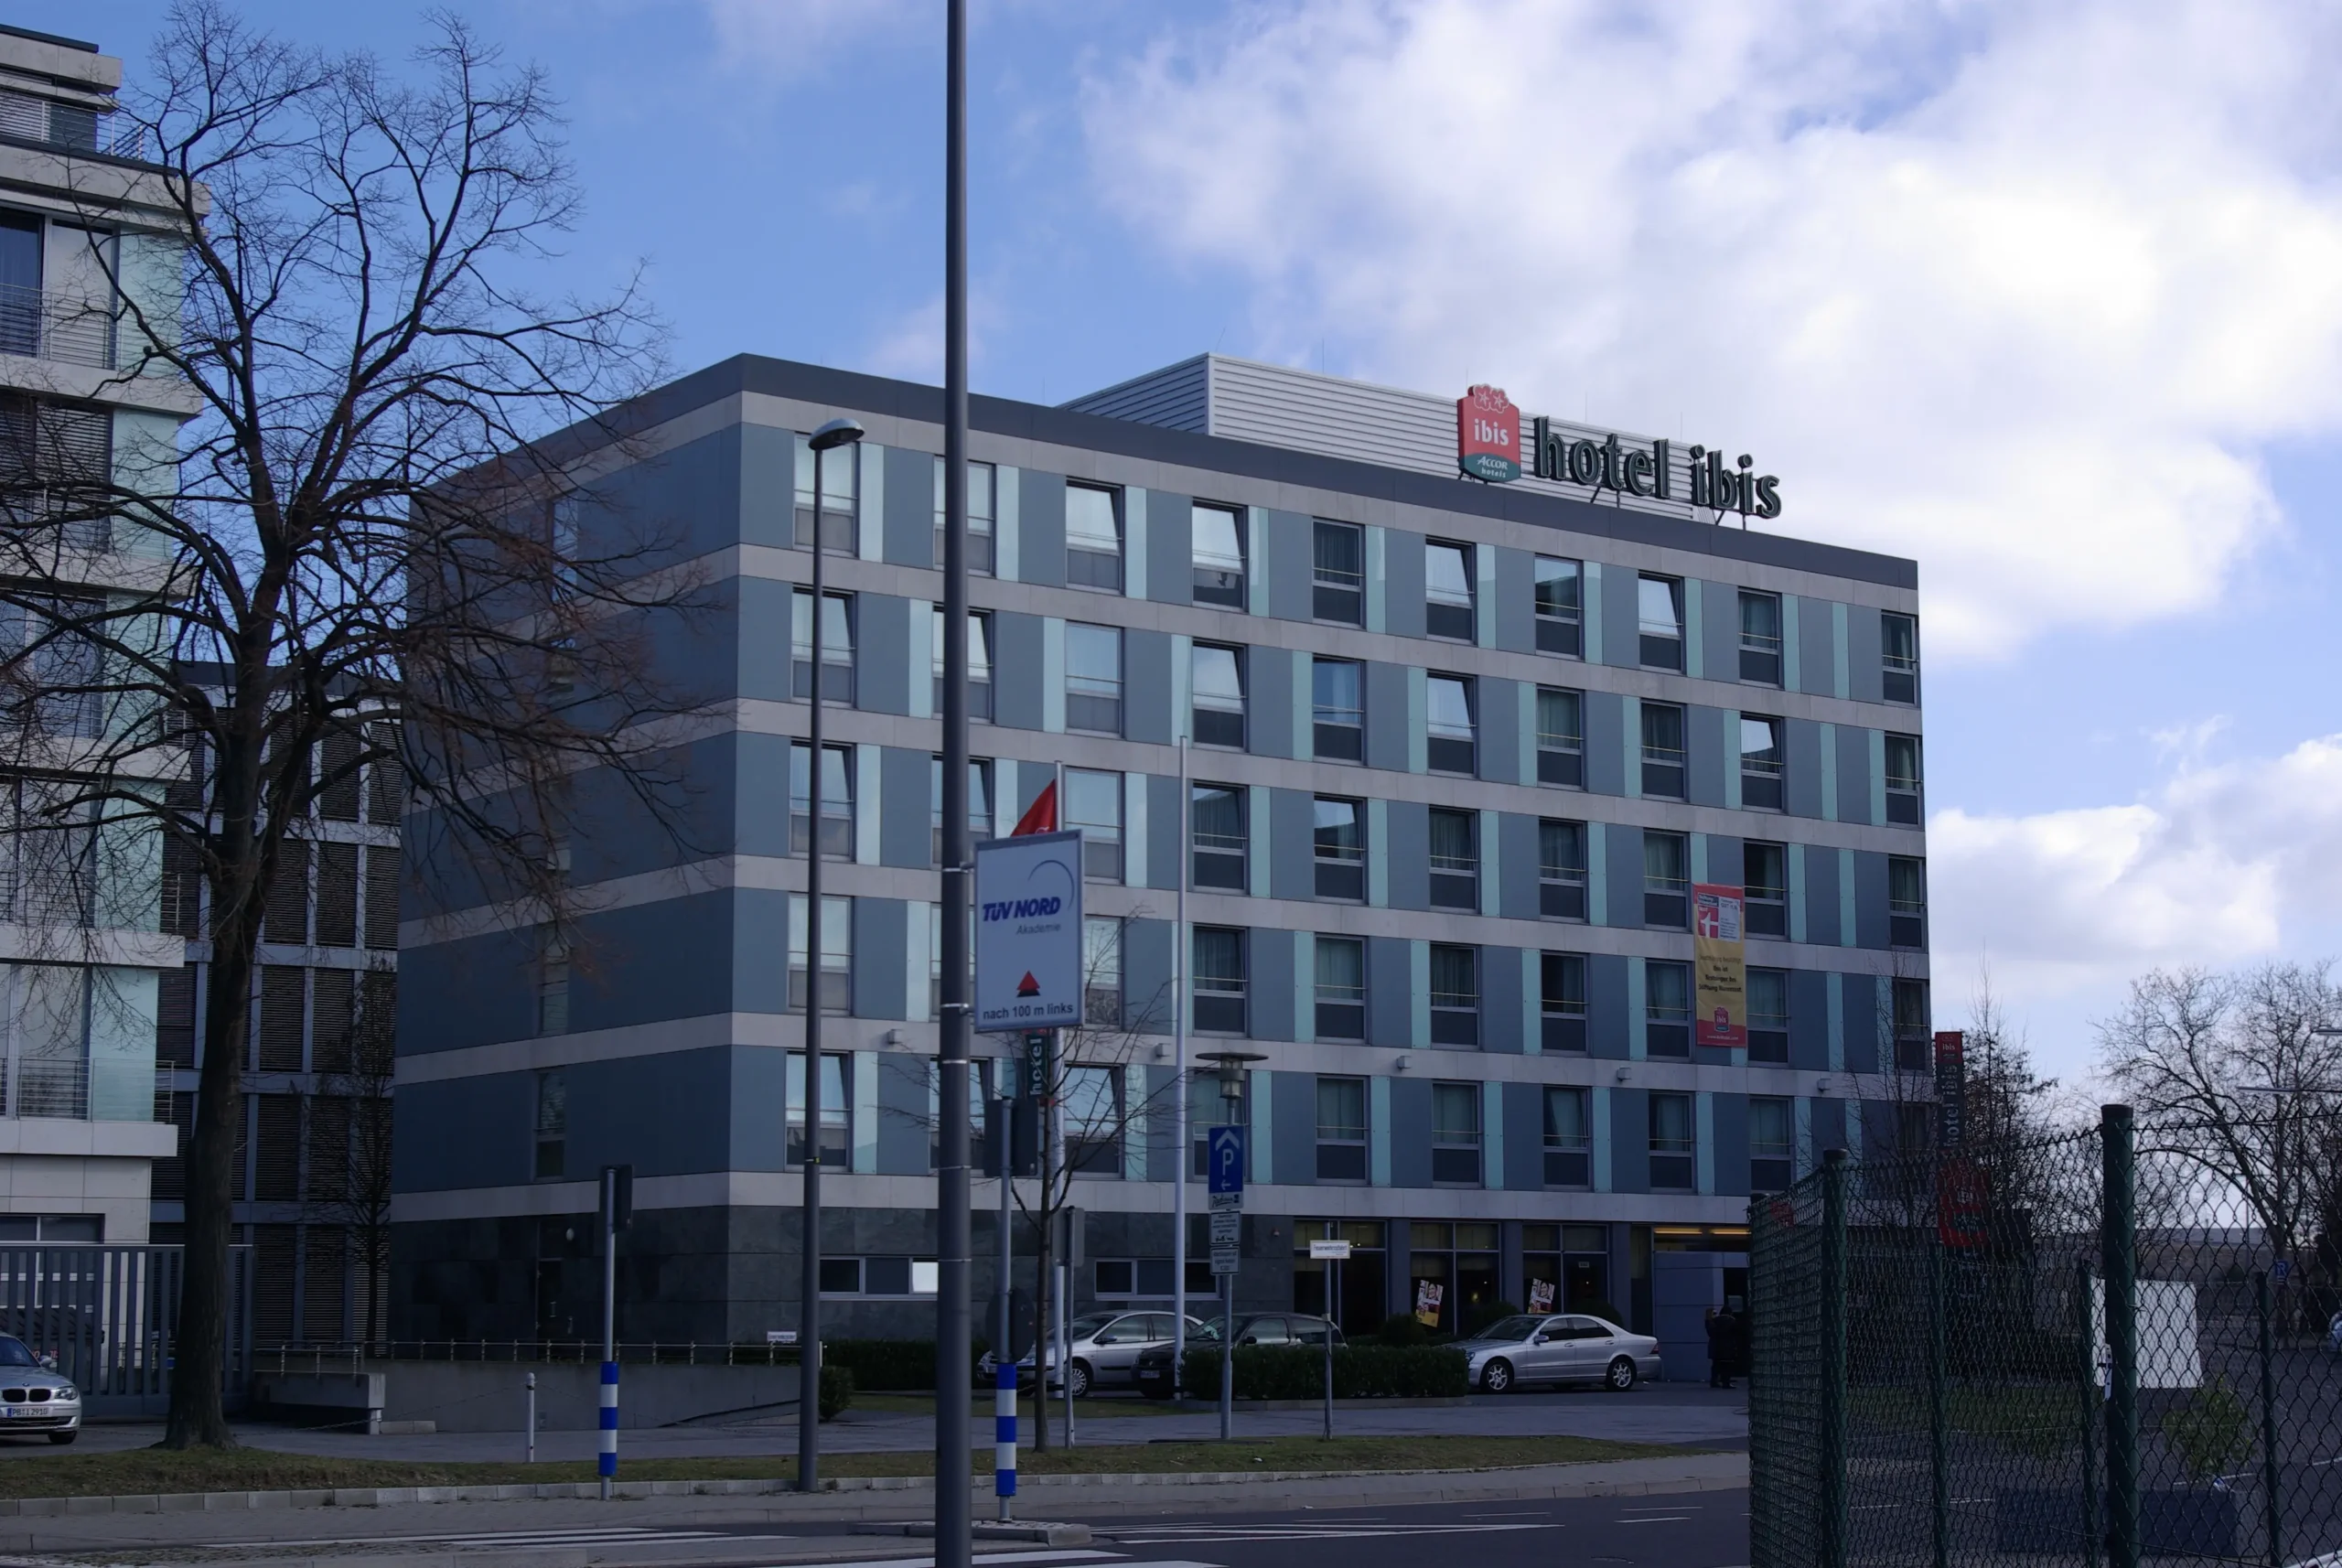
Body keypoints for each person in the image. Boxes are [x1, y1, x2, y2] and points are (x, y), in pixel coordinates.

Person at [1706, 1305, 1731, 1389]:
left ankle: (1714, 1381)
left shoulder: (1713, 1321)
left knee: (1716, 1365)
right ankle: (1725, 1382)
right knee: (1726, 1365)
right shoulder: (1730, 1321)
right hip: (1726, 1346)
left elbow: (1711, 1332)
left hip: (1715, 1347)